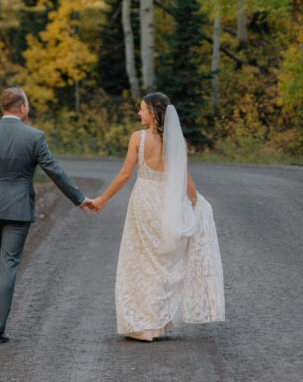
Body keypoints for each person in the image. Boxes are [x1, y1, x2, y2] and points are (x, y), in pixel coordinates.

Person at [0, 86, 94, 343]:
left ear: (3, 107)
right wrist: (80, 199)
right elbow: (55, 171)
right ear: (21, 107)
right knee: (9, 264)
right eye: (28, 104)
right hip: (19, 209)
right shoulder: (34, 137)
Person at [90, 92, 225, 341]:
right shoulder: (178, 142)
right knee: (162, 262)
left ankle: (144, 324)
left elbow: (124, 175)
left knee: (141, 262)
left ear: (152, 113)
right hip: (168, 203)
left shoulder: (138, 138)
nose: (138, 113)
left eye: (141, 109)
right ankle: (156, 323)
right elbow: (184, 178)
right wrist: (195, 202)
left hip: (143, 204)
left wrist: (102, 199)